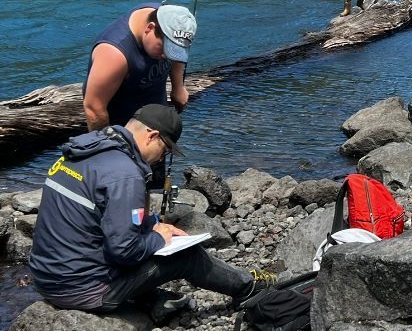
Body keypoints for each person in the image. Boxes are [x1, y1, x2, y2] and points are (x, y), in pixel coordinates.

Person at [28, 104, 274, 314]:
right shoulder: (125, 174)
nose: (160, 159)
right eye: (164, 150)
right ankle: (248, 289)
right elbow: (124, 251)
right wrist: (157, 238)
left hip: (46, 277)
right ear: (152, 135)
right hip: (82, 291)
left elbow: (100, 218)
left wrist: (151, 224)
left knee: (151, 241)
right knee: (187, 256)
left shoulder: (83, 152)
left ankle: (152, 301)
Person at [83, 3, 197, 131]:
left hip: (156, 117)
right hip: (123, 129)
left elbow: (178, 47)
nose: (167, 56)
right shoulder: (114, 55)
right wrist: (106, 146)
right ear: (149, 28)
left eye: (174, 51)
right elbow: (94, 108)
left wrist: (178, 87)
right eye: (165, 48)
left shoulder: (170, 19)